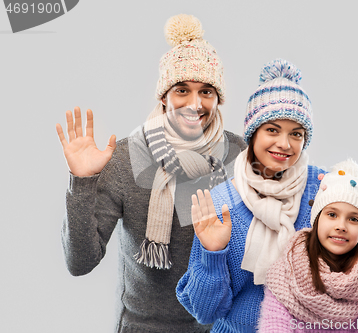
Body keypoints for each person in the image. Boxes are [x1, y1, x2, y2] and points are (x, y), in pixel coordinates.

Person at [55, 14, 246, 333]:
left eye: (206, 92)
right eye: (182, 90)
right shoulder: (127, 158)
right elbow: (80, 263)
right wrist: (82, 183)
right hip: (141, 326)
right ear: (164, 95)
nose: (194, 103)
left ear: (217, 99)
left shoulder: (239, 155)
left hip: (222, 326)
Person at [176, 59, 325, 332]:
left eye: (296, 133)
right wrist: (213, 252)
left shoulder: (322, 188)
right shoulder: (222, 203)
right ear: (253, 133)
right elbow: (205, 312)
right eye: (272, 130)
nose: (285, 144)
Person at [258, 159, 358, 332]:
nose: (341, 226)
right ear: (317, 219)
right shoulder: (286, 274)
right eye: (332, 214)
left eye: (353, 219)